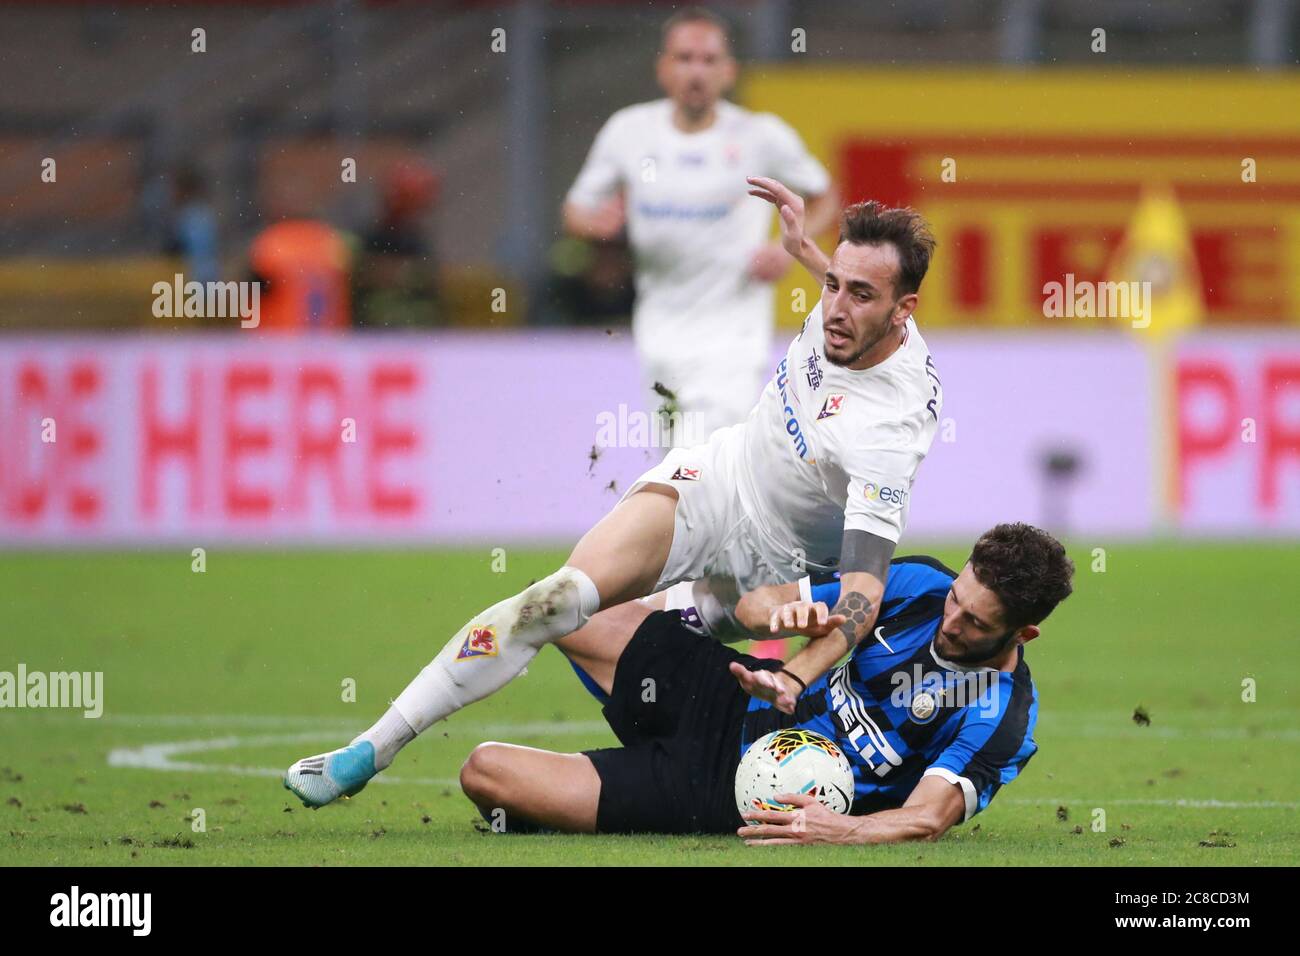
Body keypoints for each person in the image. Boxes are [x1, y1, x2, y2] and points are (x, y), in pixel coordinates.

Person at [284, 180, 942, 812]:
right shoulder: (851, 311)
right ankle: (371, 749)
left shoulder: (888, 429)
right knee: (557, 602)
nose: (834, 308)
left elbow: (863, 594)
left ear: (902, 310)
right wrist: (804, 249)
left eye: (859, 295)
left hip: (772, 574)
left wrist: (796, 675)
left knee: (652, 652)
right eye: (831, 285)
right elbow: (847, 290)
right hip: (717, 482)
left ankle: (668, 768)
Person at [460, 524, 1075, 842]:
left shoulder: (1000, 715)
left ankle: (595, 797)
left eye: (974, 622)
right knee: (558, 605)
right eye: (958, 598)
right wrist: (782, 623)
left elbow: (924, 820)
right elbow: (769, 601)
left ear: (1023, 634)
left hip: (729, 797)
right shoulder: (920, 586)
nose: (952, 621)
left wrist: (844, 830)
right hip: (739, 696)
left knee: (484, 773)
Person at [563, 6, 838, 445]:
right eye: (685, 58)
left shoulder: (760, 135)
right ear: (663, 68)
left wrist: (789, 244)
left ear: (728, 72)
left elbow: (824, 196)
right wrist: (599, 226)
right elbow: (575, 210)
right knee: (676, 458)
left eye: (709, 60)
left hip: (733, 329)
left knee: (708, 453)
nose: (697, 71)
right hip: (659, 325)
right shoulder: (628, 132)